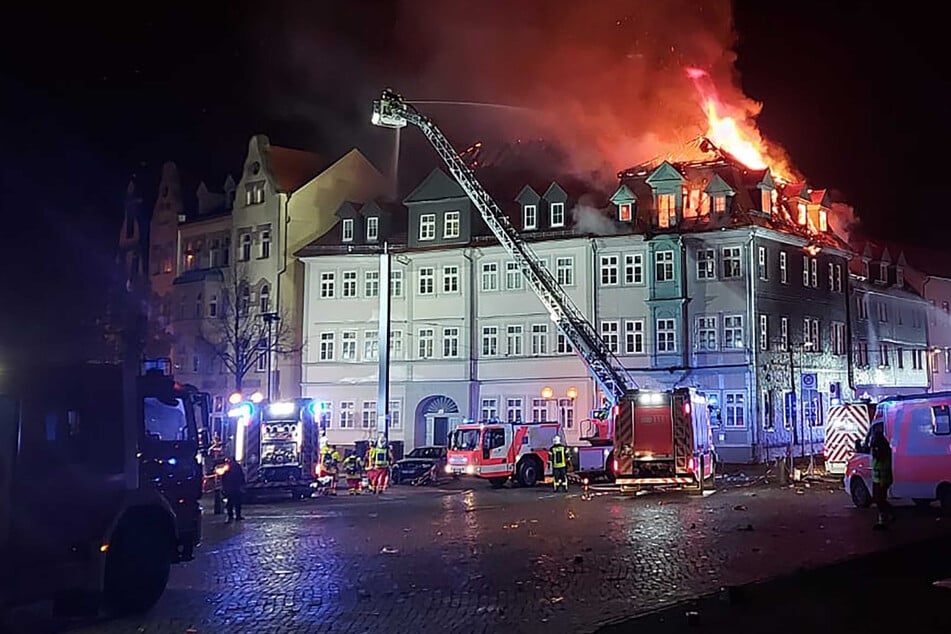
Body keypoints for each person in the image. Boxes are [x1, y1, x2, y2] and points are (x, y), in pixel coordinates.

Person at [869, 422, 894, 529]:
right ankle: (887, 516)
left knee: (880, 500)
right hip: (879, 479)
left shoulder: (881, 449)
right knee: (878, 499)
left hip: (882, 479)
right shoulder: (882, 447)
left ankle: (885, 519)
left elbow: (882, 463)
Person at [221, 457, 246, 523]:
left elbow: (224, 477)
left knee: (230, 502)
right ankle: (237, 516)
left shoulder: (227, 467)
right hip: (235, 487)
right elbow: (241, 476)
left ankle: (231, 516)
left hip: (230, 487)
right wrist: (242, 484)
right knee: (236, 502)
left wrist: (224, 486)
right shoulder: (236, 466)